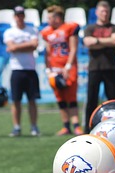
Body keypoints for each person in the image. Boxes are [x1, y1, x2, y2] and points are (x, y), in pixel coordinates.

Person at [41, 5, 81, 136]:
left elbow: (73, 48)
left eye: (50, 17)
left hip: (68, 68)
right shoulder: (47, 32)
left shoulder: (68, 28)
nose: (48, 20)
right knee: (60, 99)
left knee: (71, 97)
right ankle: (66, 126)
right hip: (54, 68)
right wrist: (48, 69)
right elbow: (47, 52)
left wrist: (68, 66)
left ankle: (76, 125)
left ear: (57, 18)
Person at [83, 1, 115, 132]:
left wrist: (97, 41)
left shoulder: (114, 27)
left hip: (110, 68)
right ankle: (88, 128)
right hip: (95, 68)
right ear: (97, 12)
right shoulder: (90, 28)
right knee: (91, 100)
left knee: (113, 100)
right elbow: (88, 42)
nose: (104, 14)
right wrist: (107, 41)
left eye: (106, 11)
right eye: (102, 11)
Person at [4, 6, 40, 137]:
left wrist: (17, 47)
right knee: (16, 101)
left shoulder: (32, 30)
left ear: (24, 16)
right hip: (17, 69)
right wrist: (27, 45)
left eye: (21, 15)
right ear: (15, 17)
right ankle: (17, 127)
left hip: (30, 69)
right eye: (17, 15)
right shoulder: (9, 32)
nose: (20, 17)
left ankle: (34, 126)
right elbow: (11, 47)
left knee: (32, 100)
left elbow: (34, 45)